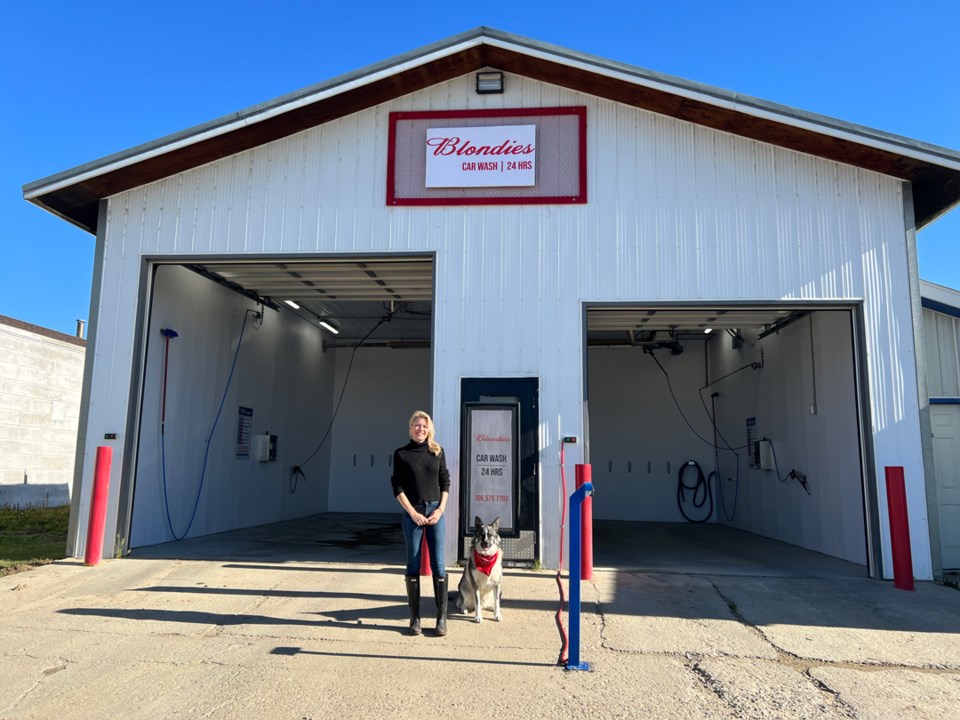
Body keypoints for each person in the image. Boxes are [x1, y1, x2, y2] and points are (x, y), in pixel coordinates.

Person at [391, 410, 450, 636]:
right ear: (410, 428)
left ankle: (441, 619)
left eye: (424, 426)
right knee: (413, 564)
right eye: (416, 425)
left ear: (429, 429)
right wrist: (412, 512)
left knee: (438, 564)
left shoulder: (437, 451)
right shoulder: (401, 454)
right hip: (412, 513)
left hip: (435, 511)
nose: (420, 429)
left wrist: (440, 509)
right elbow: (397, 487)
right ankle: (415, 619)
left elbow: (445, 481)